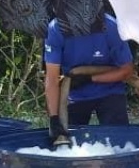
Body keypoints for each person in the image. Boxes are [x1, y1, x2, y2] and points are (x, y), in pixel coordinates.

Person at [44, 13, 133, 142]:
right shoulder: (55, 29)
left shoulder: (111, 26)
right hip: (73, 91)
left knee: (118, 143)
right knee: (69, 145)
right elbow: (51, 78)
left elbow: (127, 71)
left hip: (110, 90)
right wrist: (54, 118)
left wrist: (89, 78)